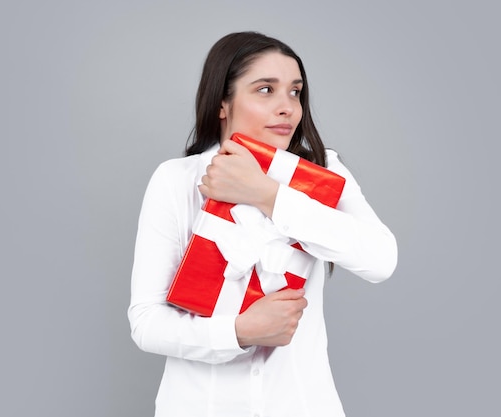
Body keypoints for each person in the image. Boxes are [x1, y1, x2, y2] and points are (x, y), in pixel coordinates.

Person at [128, 31, 398, 417]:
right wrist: (238, 332)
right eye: (265, 90)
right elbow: (147, 322)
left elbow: (380, 259)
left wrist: (266, 194)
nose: (287, 107)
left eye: (295, 92)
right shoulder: (177, 180)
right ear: (222, 103)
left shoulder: (324, 173)